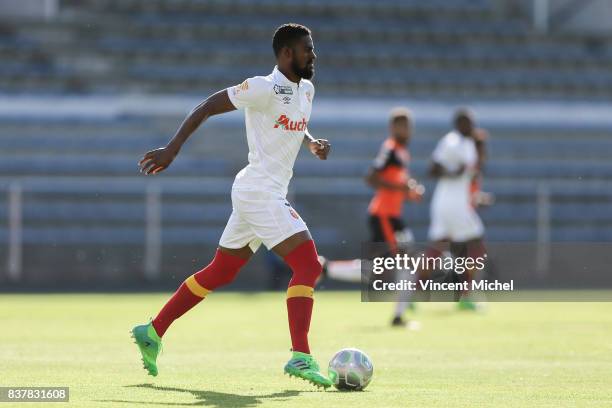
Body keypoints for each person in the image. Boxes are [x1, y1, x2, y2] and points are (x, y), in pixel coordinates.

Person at [131, 23, 333, 389]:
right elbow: (207, 105)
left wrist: (311, 142)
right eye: (307, 49)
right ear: (287, 53)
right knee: (307, 264)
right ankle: (301, 355)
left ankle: (153, 330)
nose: (313, 55)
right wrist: (172, 148)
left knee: (221, 271)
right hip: (260, 191)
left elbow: (290, 122)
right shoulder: (261, 87)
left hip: (260, 193)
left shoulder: (306, 89)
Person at [318, 108, 424, 326]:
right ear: (393, 127)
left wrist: (408, 190)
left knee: (380, 269)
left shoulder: (402, 151)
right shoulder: (391, 149)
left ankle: (326, 268)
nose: (407, 130)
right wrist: (402, 188)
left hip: (391, 216)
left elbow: (395, 182)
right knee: (405, 264)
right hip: (384, 215)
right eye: (403, 125)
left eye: (409, 125)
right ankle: (399, 315)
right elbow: (371, 177)